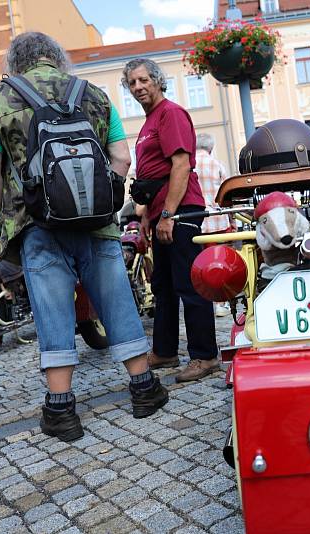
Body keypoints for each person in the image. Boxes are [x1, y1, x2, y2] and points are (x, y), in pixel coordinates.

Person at [0, 32, 168, 442]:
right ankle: (144, 389)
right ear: (58, 59)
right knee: (115, 299)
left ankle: (62, 412)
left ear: (15, 62)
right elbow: (122, 157)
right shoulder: (92, 93)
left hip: (37, 224)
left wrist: (7, 211)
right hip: (96, 221)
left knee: (51, 308)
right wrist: (101, 198)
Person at [125, 57, 219, 383]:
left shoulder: (171, 113)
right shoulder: (151, 120)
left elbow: (181, 165)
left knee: (190, 284)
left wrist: (168, 214)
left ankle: (205, 356)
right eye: (132, 83)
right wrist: (150, 216)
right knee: (163, 286)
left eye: (142, 80)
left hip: (182, 210)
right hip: (162, 212)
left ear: (157, 80)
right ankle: (164, 351)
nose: (137, 87)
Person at [195, 132, 232, 318]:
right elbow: (226, 195)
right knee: (220, 263)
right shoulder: (217, 164)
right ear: (210, 148)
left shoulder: (189, 164)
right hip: (218, 220)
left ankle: (204, 301)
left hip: (198, 221)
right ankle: (220, 303)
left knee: (201, 264)